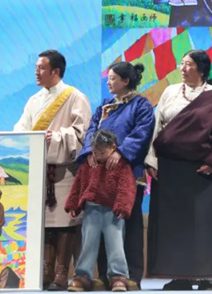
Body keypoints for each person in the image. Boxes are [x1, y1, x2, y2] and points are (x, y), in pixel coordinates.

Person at [144, 50, 212, 291]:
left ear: (202, 69)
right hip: (169, 170)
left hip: (200, 171)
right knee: (172, 225)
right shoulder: (170, 92)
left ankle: (205, 275)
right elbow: (157, 128)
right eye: (182, 63)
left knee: (202, 225)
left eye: (189, 65)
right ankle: (179, 276)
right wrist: (151, 161)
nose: (183, 69)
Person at [13, 50, 93, 290]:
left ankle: (62, 274)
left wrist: (56, 137)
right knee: (45, 224)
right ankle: (46, 272)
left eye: (41, 68)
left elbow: (82, 133)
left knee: (64, 223)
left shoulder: (75, 97)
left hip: (65, 170)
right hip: (40, 170)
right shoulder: (34, 100)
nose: (36, 72)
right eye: (36, 68)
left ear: (56, 71)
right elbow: (22, 128)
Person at [77, 62, 155, 290]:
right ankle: (104, 275)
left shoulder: (141, 105)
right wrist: (90, 152)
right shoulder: (105, 106)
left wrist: (120, 152)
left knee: (130, 223)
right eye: (108, 78)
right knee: (103, 224)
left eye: (112, 78)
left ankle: (132, 275)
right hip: (102, 175)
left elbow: (142, 134)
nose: (108, 82)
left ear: (125, 81)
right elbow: (92, 130)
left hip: (128, 173)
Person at [65, 130, 137, 292]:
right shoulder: (88, 163)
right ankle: (82, 275)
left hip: (113, 212)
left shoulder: (122, 165)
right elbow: (78, 184)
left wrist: (123, 206)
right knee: (88, 243)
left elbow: (127, 187)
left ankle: (118, 276)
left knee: (115, 244)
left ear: (113, 147)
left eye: (102, 153)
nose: (98, 156)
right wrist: (73, 205)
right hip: (92, 210)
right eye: (95, 152)